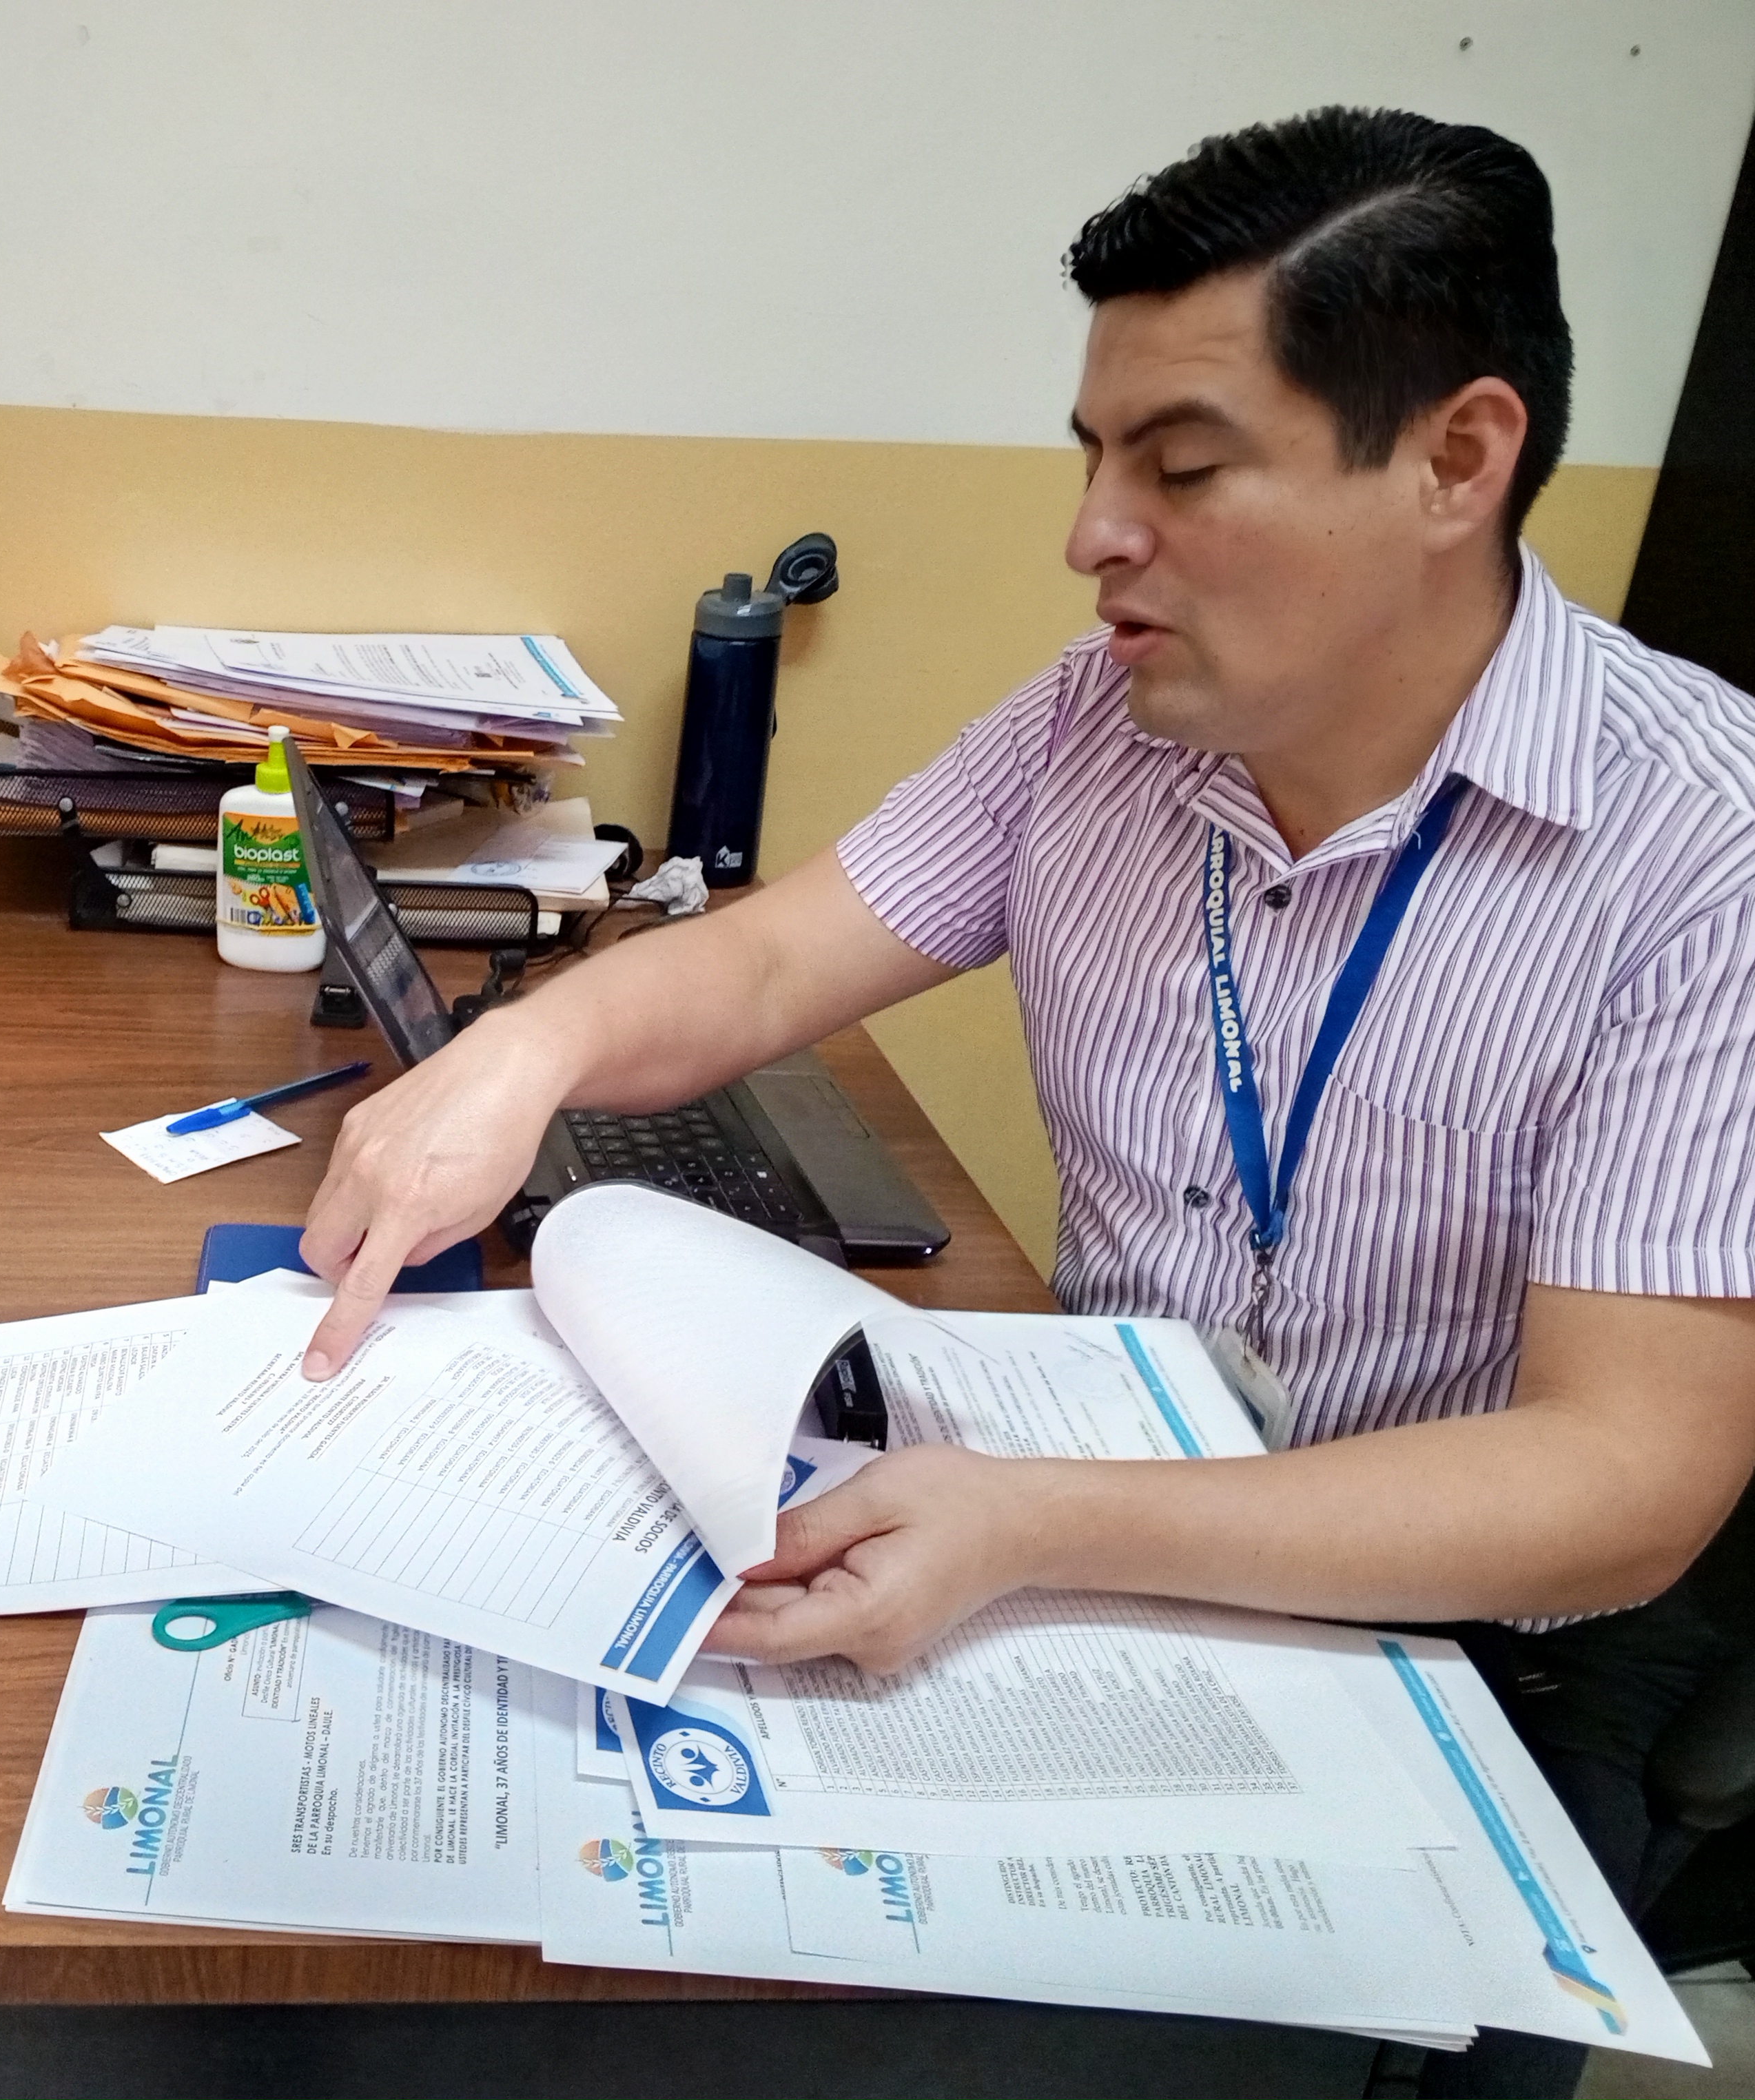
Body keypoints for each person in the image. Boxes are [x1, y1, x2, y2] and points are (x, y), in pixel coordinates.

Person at [298, 109, 1755, 2097]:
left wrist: (1034, 1524)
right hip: (1094, 1536)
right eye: (1092, 458)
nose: (1092, 537)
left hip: (1473, 1649)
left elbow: (1625, 1482)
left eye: (1182, 467)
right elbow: (765, 964)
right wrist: (510, 1059)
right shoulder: (1102, 725)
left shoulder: (1703, 849)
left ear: (1455, 459)